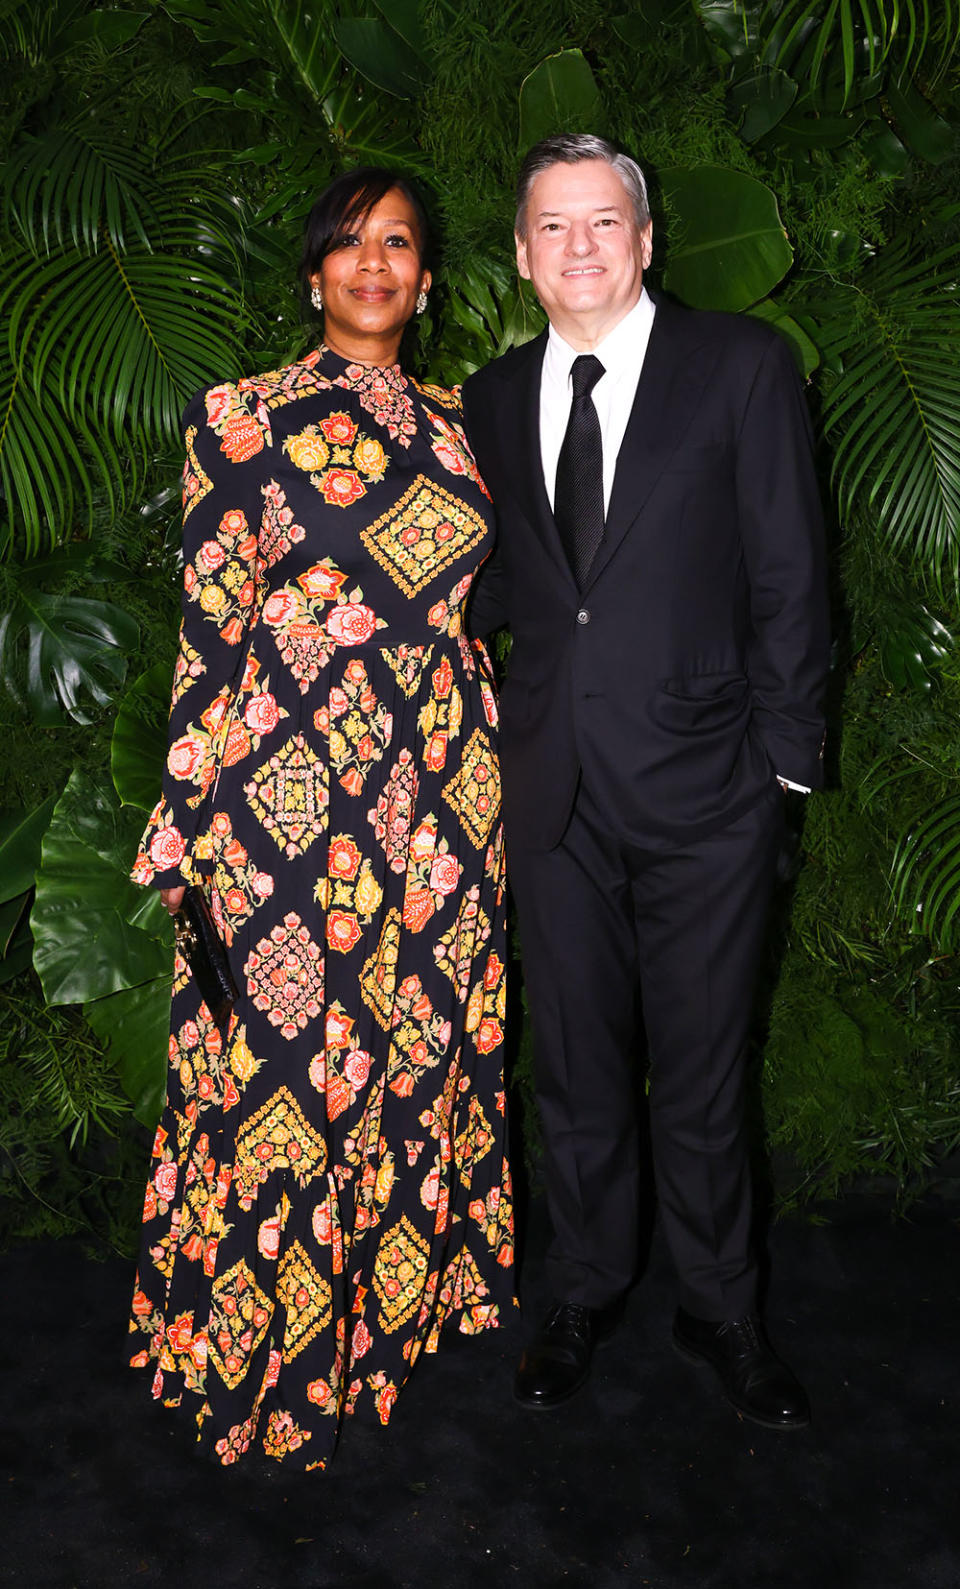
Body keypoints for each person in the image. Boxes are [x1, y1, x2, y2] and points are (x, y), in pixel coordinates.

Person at [128, 167, 514, 1471]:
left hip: (444, 799)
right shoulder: (240, 418)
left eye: (397, 242)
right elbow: (208, 627)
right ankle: (265, 1366)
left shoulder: (472, 429)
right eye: (348, 242)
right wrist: (186, 820)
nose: (372, 261)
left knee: (410, 1060)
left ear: (425, 275)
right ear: (313, 273)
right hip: (286, 799)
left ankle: (387, 1328)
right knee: (286, 1083)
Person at [462, 134, 829, 1428]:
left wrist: (784, 777)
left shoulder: (740, 368)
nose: (579, 246)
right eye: (552, 227)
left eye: (602, 222)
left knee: (705, 1067)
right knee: (572, 1067)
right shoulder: (494, 397)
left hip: (710, 797)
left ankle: (722, 1306)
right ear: (520, 254)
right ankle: (584, 1289)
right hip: (551, 791)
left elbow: (792, 574)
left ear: (647, 236)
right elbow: (513, 582)